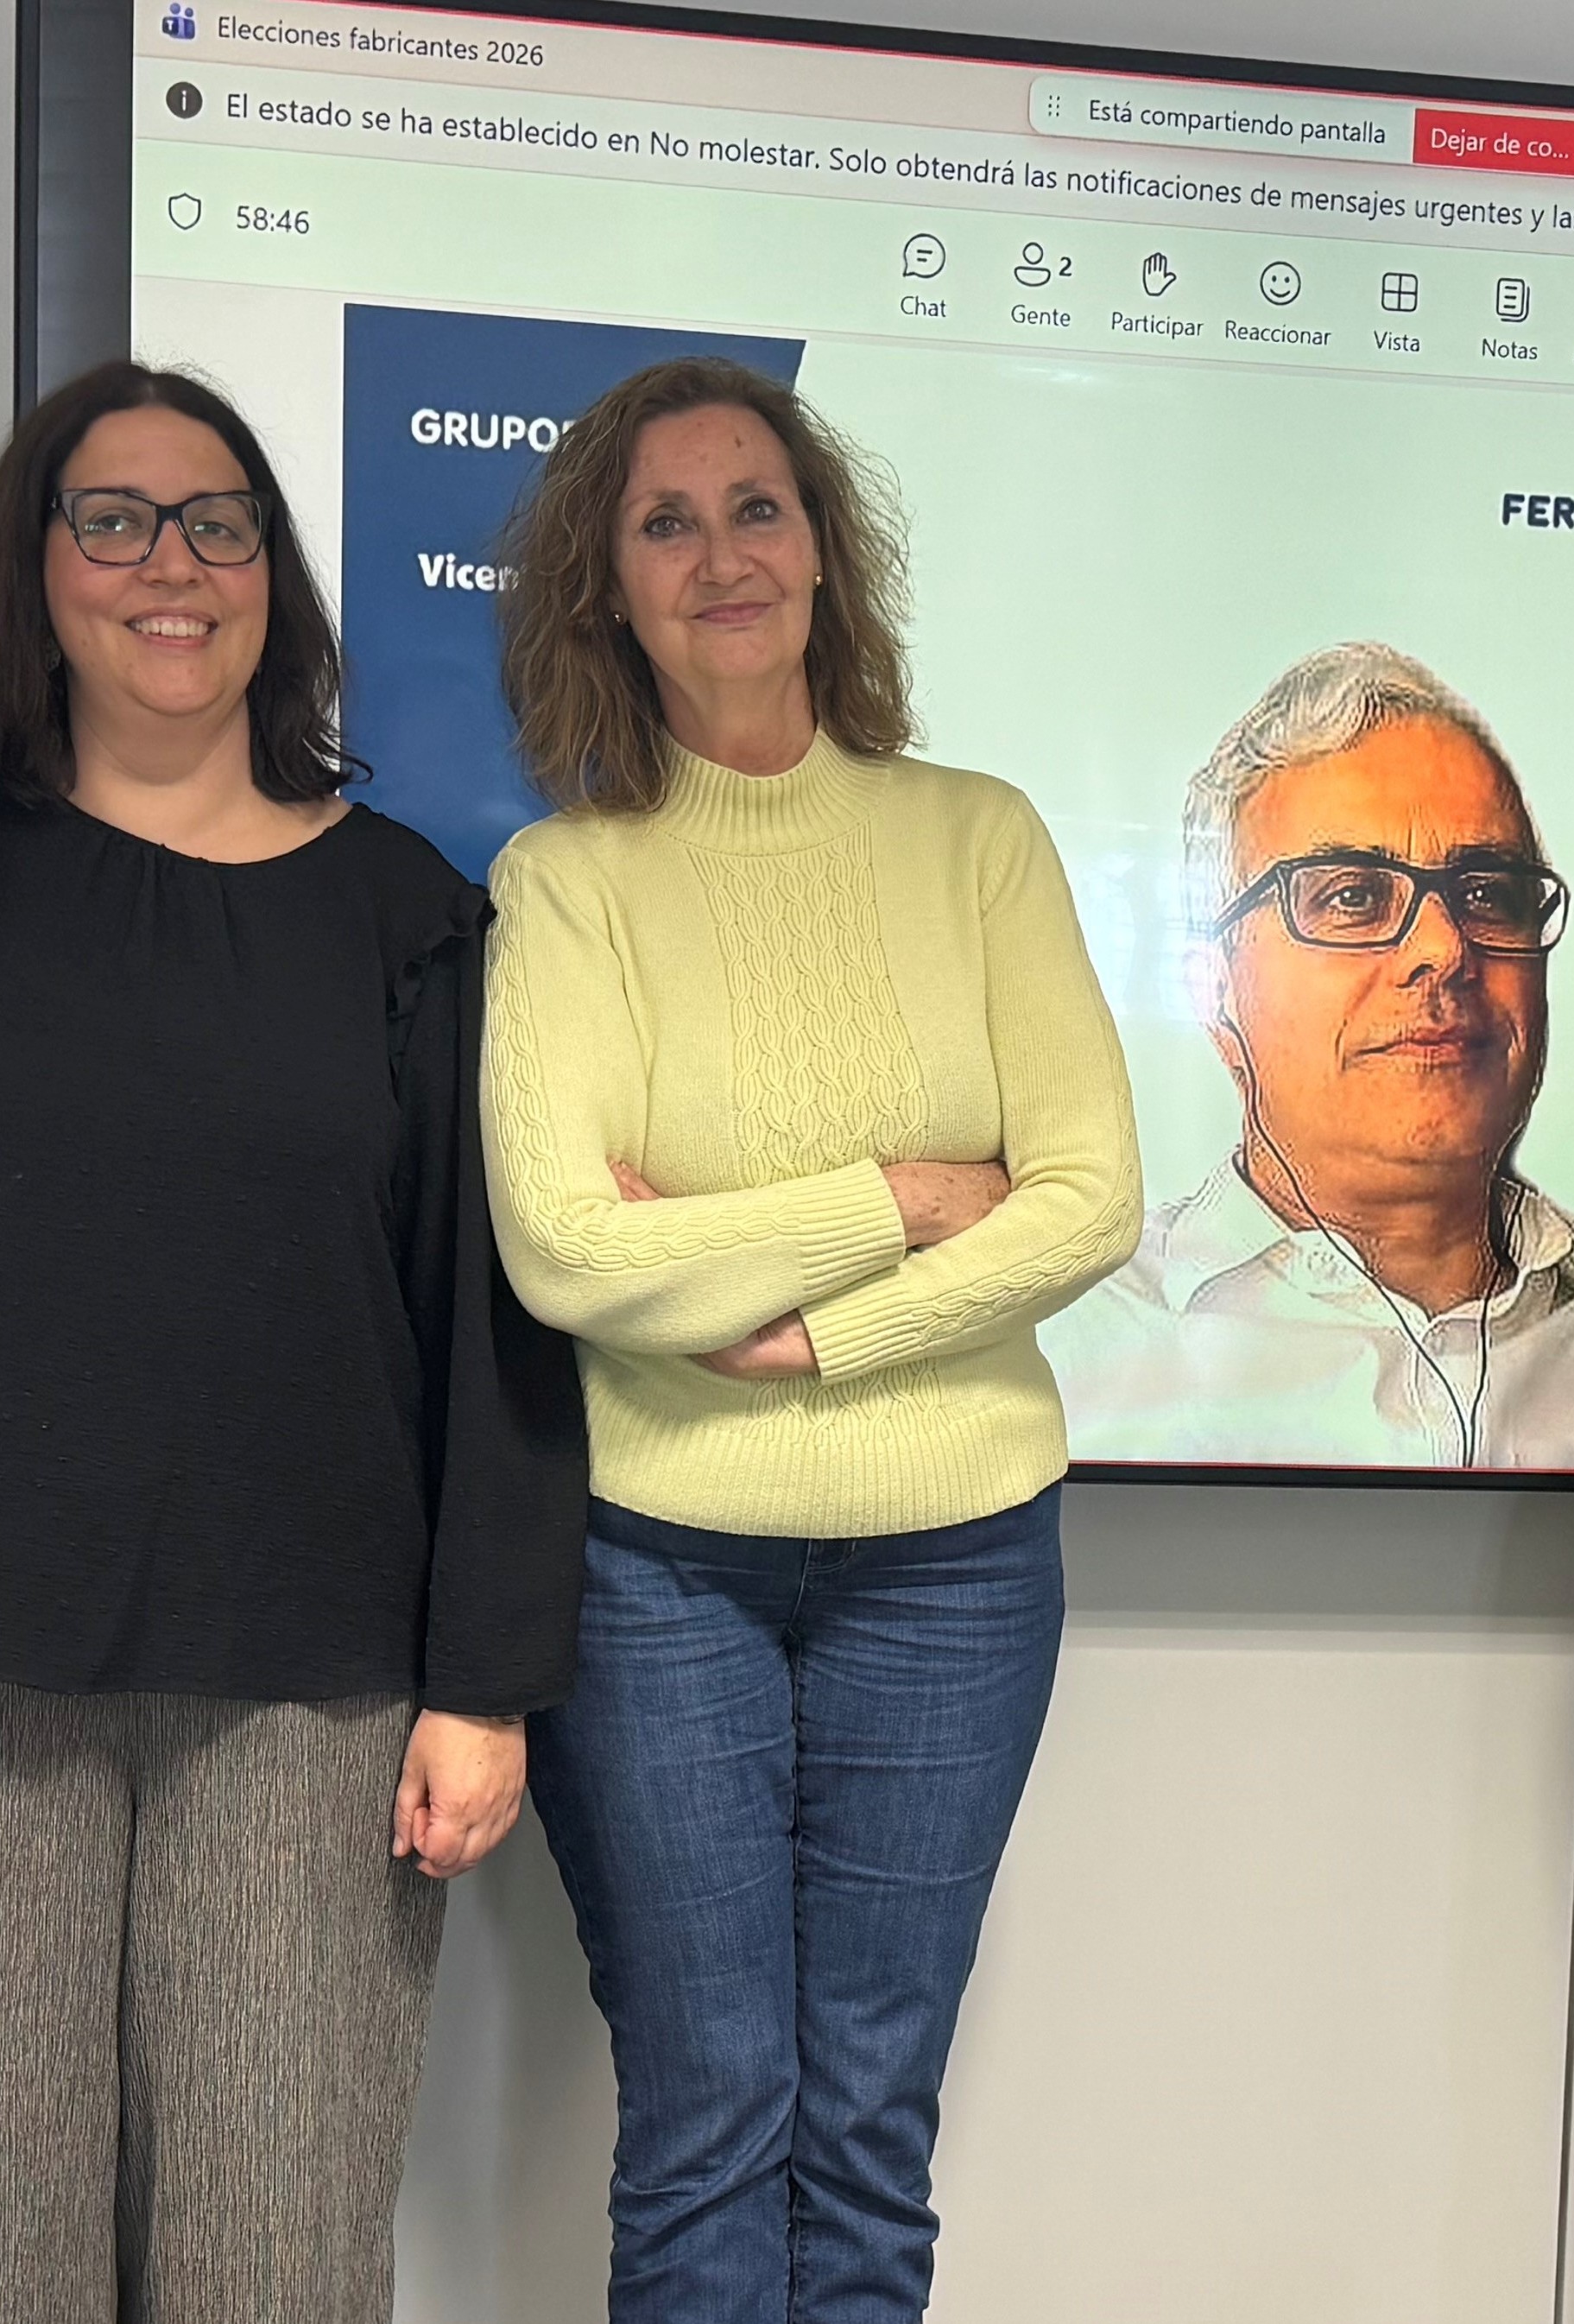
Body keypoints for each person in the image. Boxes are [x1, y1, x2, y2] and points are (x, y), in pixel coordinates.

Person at [0, 362, 588, 2323]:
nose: (173, 564)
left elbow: (484, 1314)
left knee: (274, 2258)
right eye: (116, 519)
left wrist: (485, 1686)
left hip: (313, 1685)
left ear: (273, 572)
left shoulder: (407, 914)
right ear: (35, 569)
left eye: (218, 522)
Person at [480, 355, 1143, 2323]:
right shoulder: (566, 883)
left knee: (866, 2126)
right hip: (655, 1570)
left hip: (953, 1567)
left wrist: (802, 1336)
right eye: (665, 523)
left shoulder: (978, 839)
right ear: (608, 589)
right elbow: (569, 1251)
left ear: (825, 552)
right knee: (707, 2115)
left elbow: (1090, 1199)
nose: (721, 555)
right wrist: (904, 1197)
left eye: (756, 506)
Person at [1042, 641, 1574, 1471]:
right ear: (1214, 990)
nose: (1444, 948)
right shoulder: (1058, 1345)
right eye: (1352, 896)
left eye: (1489, 895)